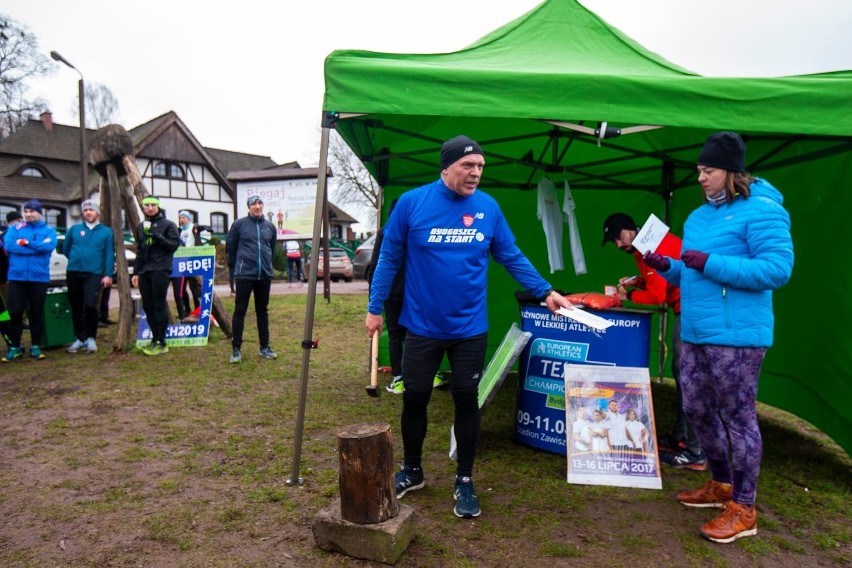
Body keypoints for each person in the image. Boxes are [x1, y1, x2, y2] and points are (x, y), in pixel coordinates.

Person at [365, 135, 572, 519]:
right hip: (422, 326)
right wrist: (374, 308)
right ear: (446, 167)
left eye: (480, 166)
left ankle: (464, 479)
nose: (475, 173)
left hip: (469, 327)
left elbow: (510, 253)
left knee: (466, 398)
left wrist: (545, 291)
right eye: (468, 166)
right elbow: (389, 259)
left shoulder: (488, 208)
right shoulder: (412, 204)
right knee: (415, 397)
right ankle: (412, 470)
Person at [643, 131, 794, 543]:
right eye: (698, 171)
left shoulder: (763, 211)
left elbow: (777, 270)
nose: (701, 178)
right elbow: (691, 271)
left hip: (738, 337)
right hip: (694, 331)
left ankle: (744, 508)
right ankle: (721, 484)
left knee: (739, 418)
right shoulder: (697, 217)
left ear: (731, 171)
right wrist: (666, 266)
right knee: (695, 408)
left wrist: (711, 261)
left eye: (708, 171)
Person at [601, 212, 706, 470]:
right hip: (689, 307)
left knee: (688, 377)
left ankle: (695, 452)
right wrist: (638, 281)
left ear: (629, 229)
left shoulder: (651, 244)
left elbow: (657, 296)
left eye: (618, 238)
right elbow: (659, 278)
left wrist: (629, 297)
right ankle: (681, 437)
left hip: (693, 309)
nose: (618, 245)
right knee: (681, 373)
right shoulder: (644, 244)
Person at [2, 200, 57, 361]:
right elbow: (10, 246)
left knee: (36, 312)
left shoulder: (48, 230)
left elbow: (49, 247)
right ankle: (15, 346)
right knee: (15, 312)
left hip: (38, 277)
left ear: (39, 212)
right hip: (17, 277)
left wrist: (27, 244)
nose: (28, 214)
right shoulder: (15, 229)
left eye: (32, 211)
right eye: (26, 211)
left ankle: (35, 346)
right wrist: (34, 248)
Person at [227, 195, 279, 363]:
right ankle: (236, 349)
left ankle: (264, 347)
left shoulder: (270, 226)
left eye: (259, 203)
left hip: (264, 274)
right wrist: (235, 271)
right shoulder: (239, 225)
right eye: (254, 204)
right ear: (249, 207)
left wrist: (266, 266)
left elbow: (271, 248)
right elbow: (231, 249)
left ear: (263, 205)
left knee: (262, 311)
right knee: (240, 311)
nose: (257, 206)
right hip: (244, 275)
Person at [62, 200, 115, 354]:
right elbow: (66, 247)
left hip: (94, 273)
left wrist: (108, 274)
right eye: (85, 210)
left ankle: (91, 337)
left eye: (91, 210)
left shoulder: (106, 232)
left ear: (97, 213)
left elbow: (108, 254)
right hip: (73, 271)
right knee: (76, 306)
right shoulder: (75, 229)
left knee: (90, 305)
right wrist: (75, 257)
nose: (88, 213)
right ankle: (80, 338)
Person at [131, 196, 180, 356]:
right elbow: (139, 250)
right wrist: (136, 272)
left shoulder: (169, 225)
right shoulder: (140, 227)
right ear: (143, 208)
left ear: (158, 207)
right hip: (145, 270)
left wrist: (157, 236)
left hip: (161, 269)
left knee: (159, 303)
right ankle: (154, 338)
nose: (150, 208)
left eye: (153, 205)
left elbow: (173, 245)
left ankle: (162, 340)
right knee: (148, 305)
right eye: (147, 205)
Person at [171, 210, 201, 320]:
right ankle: (187, 309)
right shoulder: (179, 231)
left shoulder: (193, 228)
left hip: (192, 261)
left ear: (188, 218)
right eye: (180, 218)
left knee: (194, 288)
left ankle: (198, 310)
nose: (181, 220)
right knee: (182, 288)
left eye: (183, 218)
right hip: (181, 261)